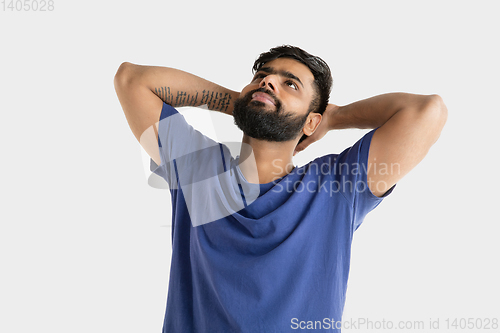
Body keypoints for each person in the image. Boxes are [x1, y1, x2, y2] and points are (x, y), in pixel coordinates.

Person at [114, 45, 447, 332]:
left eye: (290, 84)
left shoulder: (337, 186)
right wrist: (248, 103)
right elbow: (132, 79)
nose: (268, 81)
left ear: (311, 122)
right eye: (262, 76)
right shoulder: (198, 170)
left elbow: (427, 112)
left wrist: (334, 117)